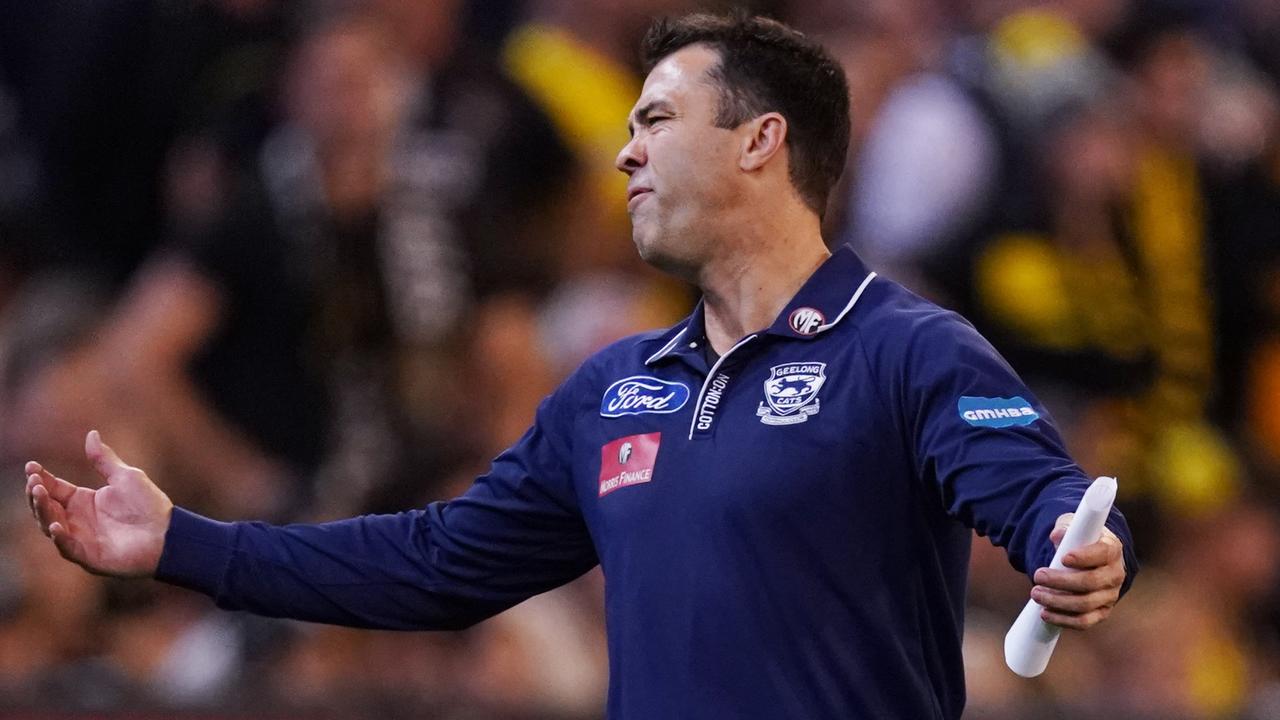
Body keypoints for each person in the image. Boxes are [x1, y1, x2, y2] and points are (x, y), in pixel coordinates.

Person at [23, 13, 1137, 719]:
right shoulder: (611, 392)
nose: (622, 148)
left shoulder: (907, 349)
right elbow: (432, 564)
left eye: (656, 118)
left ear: (760, 142)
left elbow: (1041, 497)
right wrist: (183, 543)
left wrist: (1075, 552)